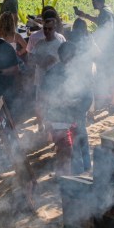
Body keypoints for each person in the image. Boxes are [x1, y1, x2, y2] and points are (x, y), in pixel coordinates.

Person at [40, 42, 93, 173]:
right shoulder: (52, 73)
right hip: (62, 119)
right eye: (67, 56)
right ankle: (75, 173)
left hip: (78, 114)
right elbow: (46, 97)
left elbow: (88, 95)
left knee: (82, 140)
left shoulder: (81, 72)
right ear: (61, 56)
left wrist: (80, 106)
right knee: (70, 149)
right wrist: (62, 102)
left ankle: (86, 168)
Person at [74, 0, 114, 111]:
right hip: (112, 48)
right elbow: (99, 22)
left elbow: (105, 30)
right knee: (112, 75)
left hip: (112, 49)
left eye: (93, 1)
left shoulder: (105, 12)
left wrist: (91, 37)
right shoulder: (105, 11)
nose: (92, 3)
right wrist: (84, 15)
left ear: (97, 0)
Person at [26, 7, 66, 92]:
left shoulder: (60, 41)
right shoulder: (39, 43)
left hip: (55, 83)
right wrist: (40, 60)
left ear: (54, 28)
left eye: (50, 29)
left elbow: (65, 60)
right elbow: (30, 59)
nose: (47, 31)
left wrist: (39, 59)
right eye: (45, 28)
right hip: (40, 81)